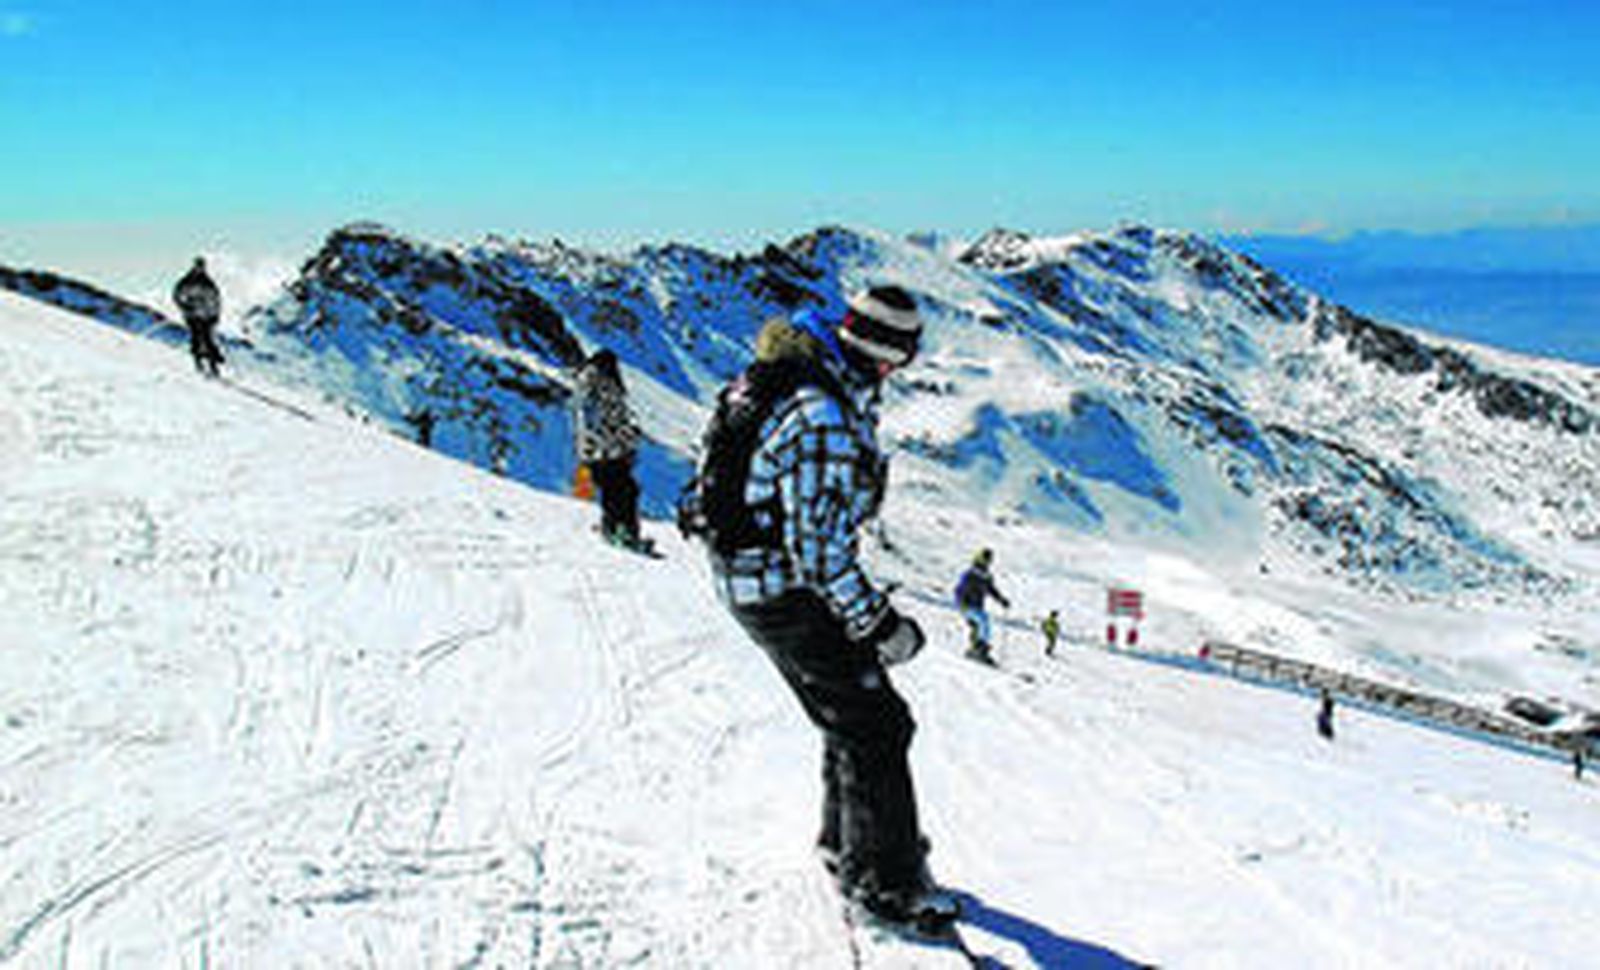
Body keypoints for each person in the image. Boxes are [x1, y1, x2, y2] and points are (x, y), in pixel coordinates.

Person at [682, 285, 957, 929]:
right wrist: (881, 625)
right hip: (781, 589)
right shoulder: (820, 416)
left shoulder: (774, 379)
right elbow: (819, 551)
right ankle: (883, 883)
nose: (897, 374)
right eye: (900, 359)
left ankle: (848, 846)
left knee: (850, 713)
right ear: (885, 355)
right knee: (878, 723)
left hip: (748, 579)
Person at [573, 349, 647, 551]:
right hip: (609, 452)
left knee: (615, 491)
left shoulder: (586, 382)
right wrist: (628, 438)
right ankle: (623, 533)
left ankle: (614, 529)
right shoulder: (603, 383)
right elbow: (612, 418)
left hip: (596, 452)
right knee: (623, 491)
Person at [954, 548, 1010, 664]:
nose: (987, 562)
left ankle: (974, 650)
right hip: (967, 605)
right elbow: (959, 589)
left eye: (989, 559)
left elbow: (992, 590)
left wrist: (1002, 600)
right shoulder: (970, 574)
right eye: (985, 558)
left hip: (977, 605)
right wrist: (961, 602)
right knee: (983, 620)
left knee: (978, 625)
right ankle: (980, 649)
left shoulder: (986, 577)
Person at [172, 256, 225, 377]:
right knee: (197, 337)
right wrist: (184, 306)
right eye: (198, 266)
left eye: (201, 266)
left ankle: (213, 365)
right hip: (192, 315)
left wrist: (215, 315)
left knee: (208, 338)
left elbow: (216, 300)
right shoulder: (187, 281)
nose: (200, 268)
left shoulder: (208, 282)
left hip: (206, 316)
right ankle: (199, 363)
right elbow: (177, 295)